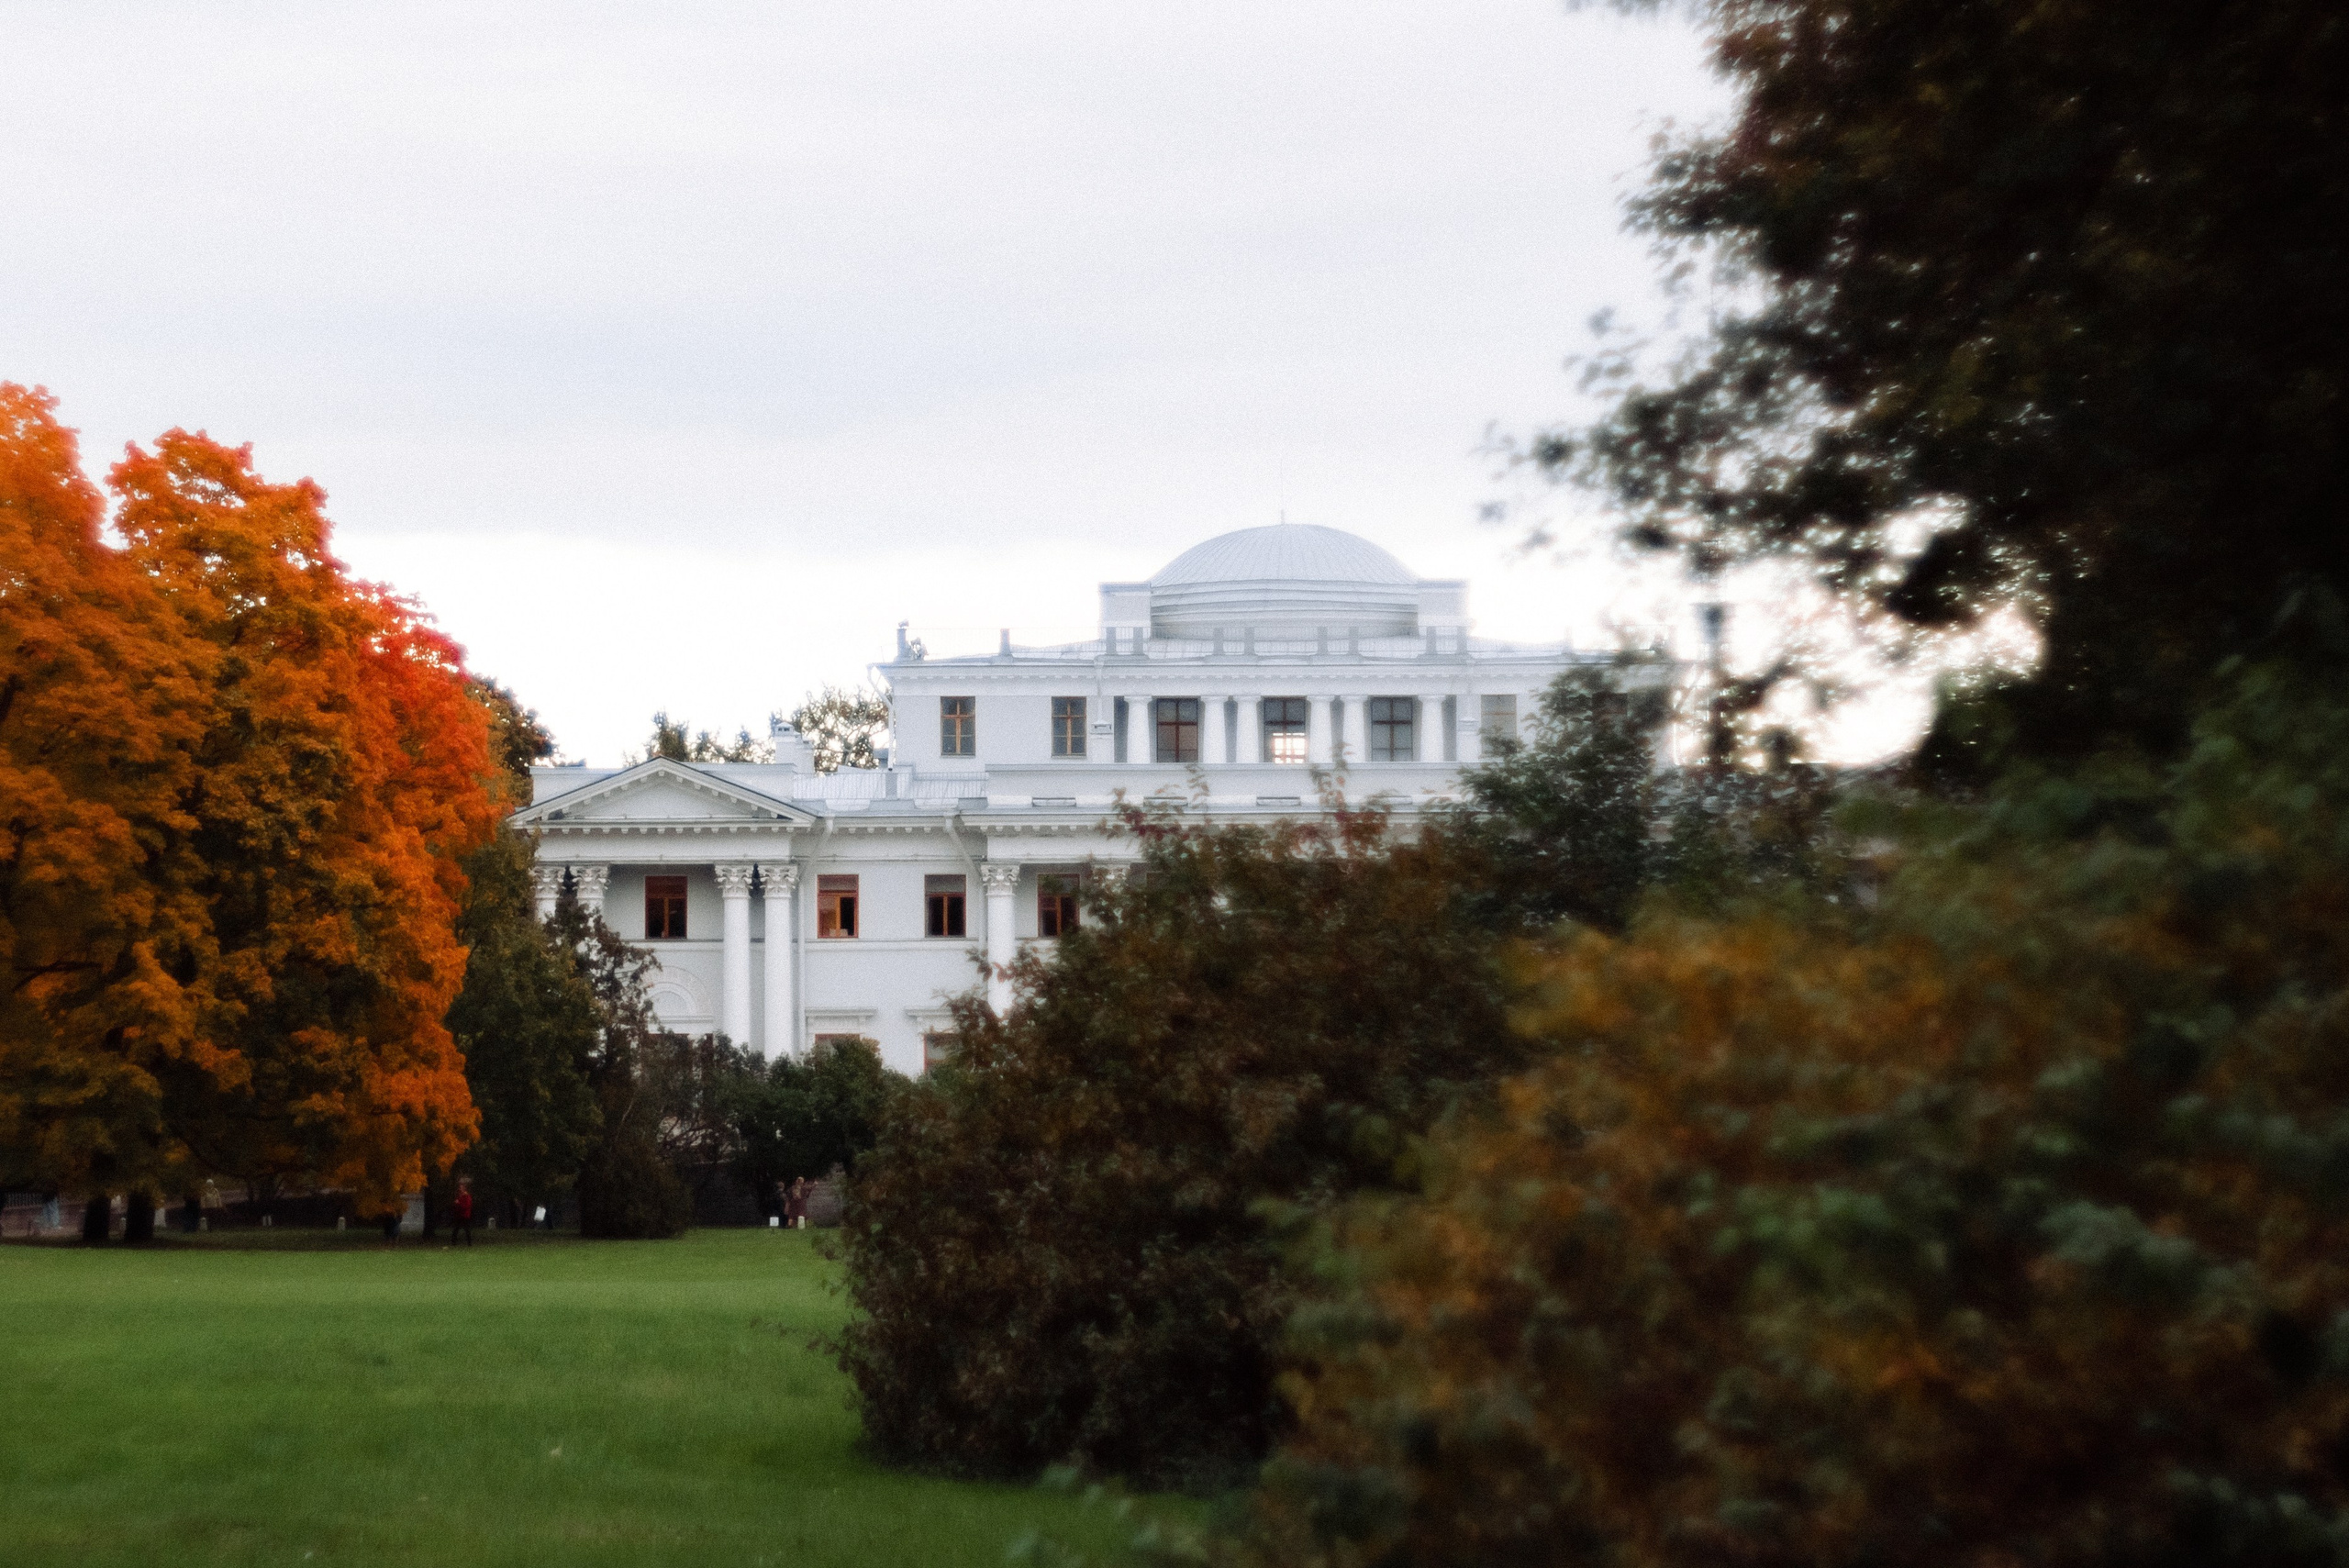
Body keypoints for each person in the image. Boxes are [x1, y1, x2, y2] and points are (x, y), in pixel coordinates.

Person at [450, 1178, 474, 1247]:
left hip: (464, 1215)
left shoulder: (467, 1196)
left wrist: (458, 1203)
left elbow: (467, 1206)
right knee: (456, 1229)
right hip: (459, 1215)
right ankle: (453, 1243)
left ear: (464, 1189)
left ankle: (469, 1243)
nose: (459, 1189)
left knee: (466, 1230)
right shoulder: (461, 1196)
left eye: (461, 1188)